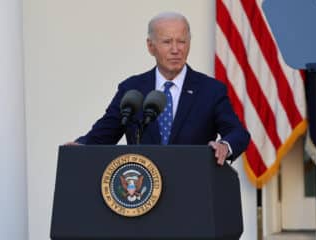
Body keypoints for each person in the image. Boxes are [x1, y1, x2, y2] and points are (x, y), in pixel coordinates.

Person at [66, 12, 250, 165]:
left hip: (193, 190)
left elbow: (238, 133)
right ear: (150, 46)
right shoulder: (132, 89)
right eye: (167, 42)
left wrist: (225, 146)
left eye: (182, 41)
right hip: (143, 192)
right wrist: (80, 147)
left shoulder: (211, 90)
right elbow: (104, 134)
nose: (176, 49)